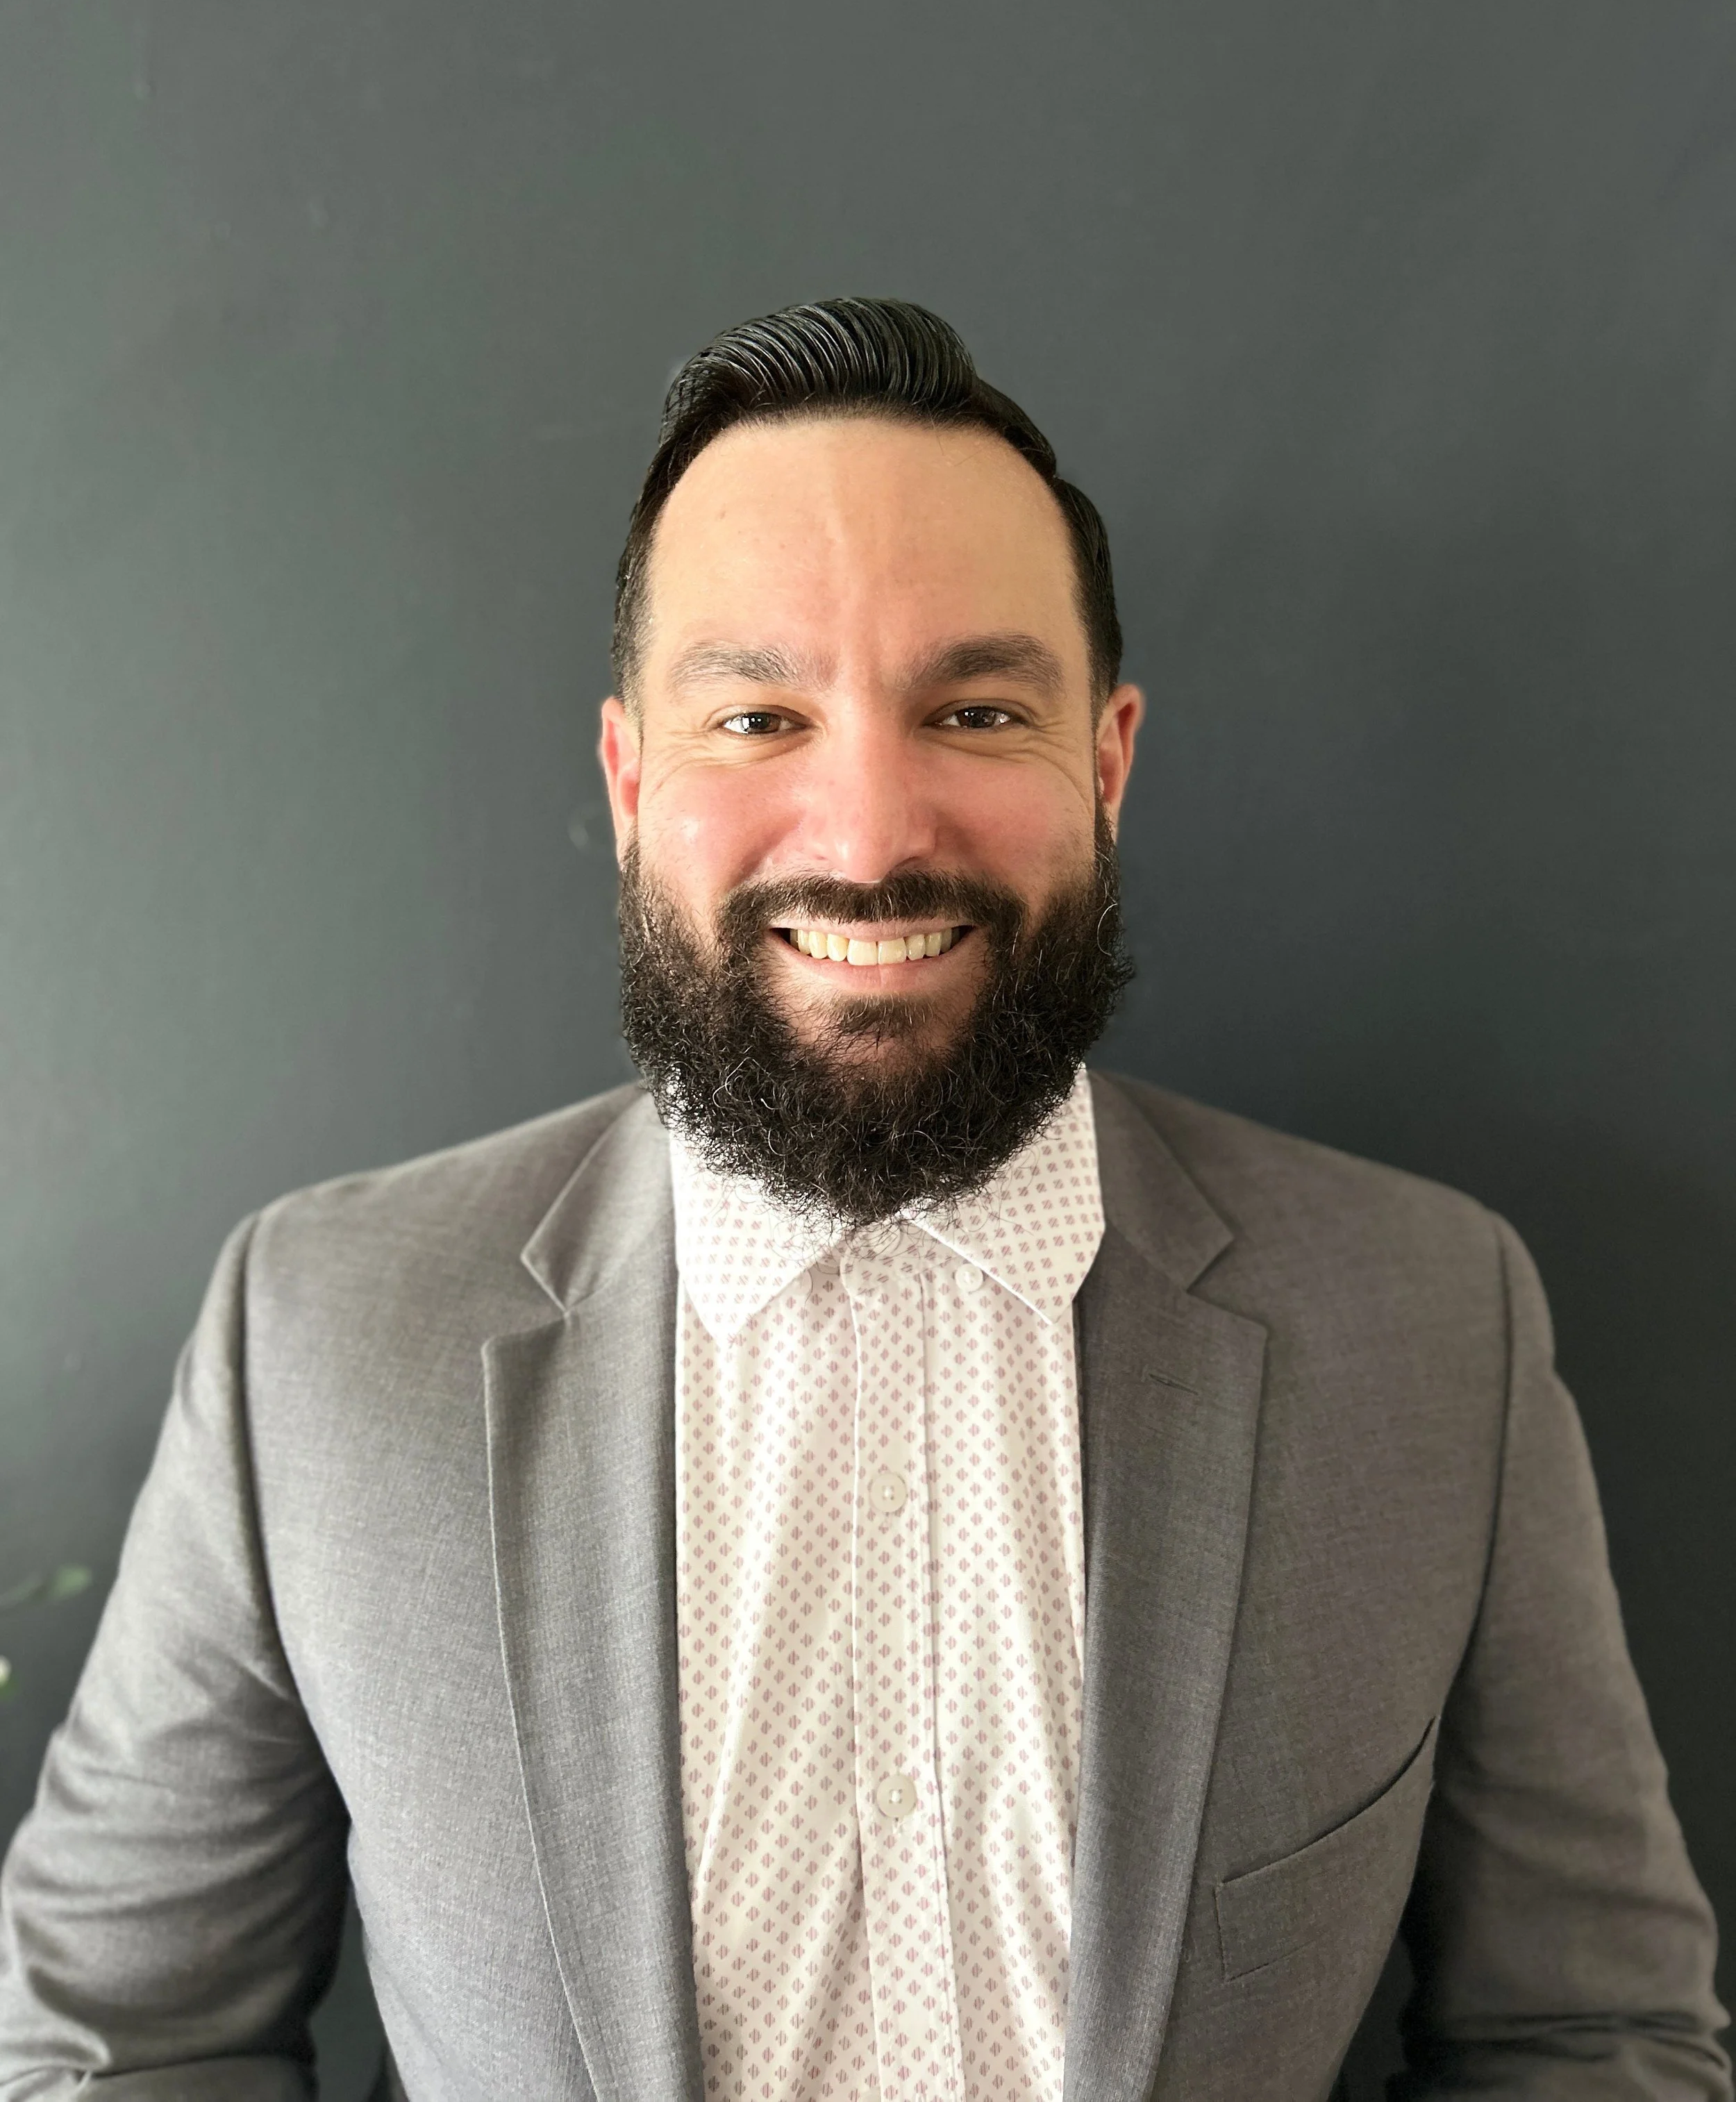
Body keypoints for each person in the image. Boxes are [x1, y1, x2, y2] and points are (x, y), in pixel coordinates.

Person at [0, 299, 1726, 2102]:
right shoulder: (322, 1331)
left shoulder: (1432, 1320)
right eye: (759, 712)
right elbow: (119, 2036)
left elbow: (1585, 2034)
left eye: (974, 706)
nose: (871, 824)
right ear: (628, 778)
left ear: (1107, 764)